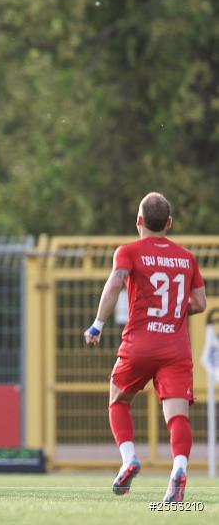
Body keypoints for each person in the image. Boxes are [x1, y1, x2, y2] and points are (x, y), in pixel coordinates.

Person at [84, 192, 207, 502]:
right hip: (175, 349)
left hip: (139, 344)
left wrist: (97, 324)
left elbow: (115, 283)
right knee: (177, 416)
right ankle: (179, 468)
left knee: (118, 399)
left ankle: (129, 459)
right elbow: (200, 303)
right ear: (169, 223)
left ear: (139, 221)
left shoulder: (128, 251)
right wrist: (175, 313)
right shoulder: (186, 258)